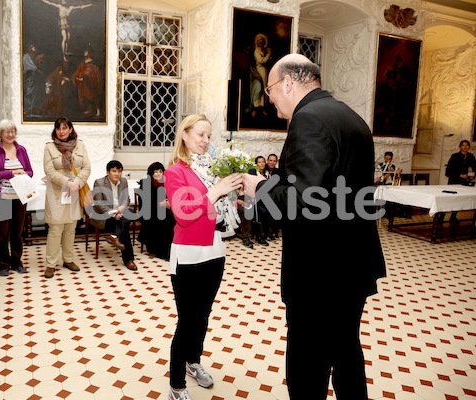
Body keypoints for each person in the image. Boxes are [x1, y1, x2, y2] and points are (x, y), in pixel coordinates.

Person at [242, 54, 386, 399]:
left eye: (272, 89)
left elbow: (303, 202)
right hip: (353, 261)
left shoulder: (307, 119)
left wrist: (257, 187)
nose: (269, 97)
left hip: (320, 270)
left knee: (309, 363)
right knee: (346, 352)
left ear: (289, 83)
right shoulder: (351, 118)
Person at [164, 114, 243, 400]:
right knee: (187, 319)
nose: (206, 141)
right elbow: (183, 215)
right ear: (184, 135)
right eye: (200, 134)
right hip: (188, 253)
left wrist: (232, 190)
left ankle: (192, 361)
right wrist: (216, 191)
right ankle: (176, 385)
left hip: (214, 250)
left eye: (209, 135)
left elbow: (220, 208)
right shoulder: (175, 171)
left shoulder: (212, 168)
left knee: (203, 314)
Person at [43, 116, 91, 278]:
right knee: (56, 229)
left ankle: (68, 259)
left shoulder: (80, 145)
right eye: (58, 128)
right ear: (55, 130)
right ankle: (51, 264)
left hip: (75, 193)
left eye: (65, 128)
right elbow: (49, 171)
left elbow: (86, 167)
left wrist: (77, 183)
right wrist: (67, 183)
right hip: (56, 193)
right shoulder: (49, 147)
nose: (61, 131)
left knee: (71, 228)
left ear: (70, 129)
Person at [0, 120, 33, 276]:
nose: (11, 134)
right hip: (1, 197)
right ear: (0, 134)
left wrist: (24, 173)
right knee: (1, 232)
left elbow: (30, 171)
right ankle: (3, 264)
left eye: (13, 131)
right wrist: (11, 173)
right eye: (7, 131)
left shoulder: (21, 150)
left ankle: (16, 262)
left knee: (17, 232)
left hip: (19, 197)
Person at [90, 160, 137, 271]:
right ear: (108, 172)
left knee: (127, 215)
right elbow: (99, 204)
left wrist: (121, 208)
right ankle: (128, 260)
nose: (117, 174)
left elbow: (126, 199)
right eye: (114, 171)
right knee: (124, 224)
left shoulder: (124, 181)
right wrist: (113, 213)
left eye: (119, 171)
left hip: (120, 214)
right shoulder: (99, 183)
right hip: (105, 217)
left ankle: (114, 236)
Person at [137, 162, 175, 260]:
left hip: (165, 211)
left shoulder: (167, 183)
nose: (158, 174)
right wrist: (159, 204)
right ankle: (160, 251)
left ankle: (170, 248)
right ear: (151, 173)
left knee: (172, 218)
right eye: (155, 172)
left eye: (160, 171)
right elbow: (143, 204)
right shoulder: (145, 184)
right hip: (149, 212)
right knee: (162, 220)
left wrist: (169, 203)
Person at [445, 139, 476, 222]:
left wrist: (470, 176)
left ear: (469, 147)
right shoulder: (455, 156)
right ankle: (441, 216)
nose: (465, 147)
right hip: (454, 181)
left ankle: (453, 216)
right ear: (460, 147)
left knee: (459, 200)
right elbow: (448, 171)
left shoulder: (471, 157)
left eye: (467, 145)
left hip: (464, 182)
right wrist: (460, 175)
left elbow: (474, 169)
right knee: (449, 199)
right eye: (463, 145)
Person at [247, 33, 272, 118]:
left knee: (265, 87)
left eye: (261, 41)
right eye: (258, 41)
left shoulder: (264, 50)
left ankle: (262, 107)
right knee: (259, 87)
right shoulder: (256, 51)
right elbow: (261, 61)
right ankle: (256, 107)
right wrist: (268, 55)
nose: (260, 43)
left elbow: (267, 61)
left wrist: (269, 56)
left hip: (264, 70)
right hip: (258, 71)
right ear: (256, 42)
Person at [73, 49, 102, 117]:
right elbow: (79, 71)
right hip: (83, 84)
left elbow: (92, 72)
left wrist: (85, 77)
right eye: (84, 52)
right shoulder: (83, 63)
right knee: (84, 97)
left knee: (92, 96)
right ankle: (89, 109)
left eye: (86, 53)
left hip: (90, 83)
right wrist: (77, 77)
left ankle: (96, 110)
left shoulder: (92, 64)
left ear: (89, 54)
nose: (85, 54)